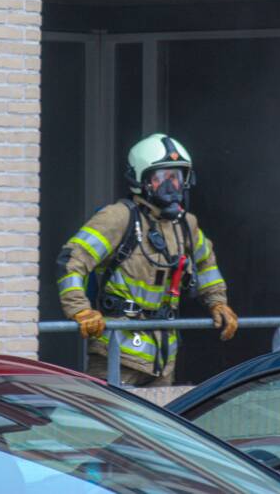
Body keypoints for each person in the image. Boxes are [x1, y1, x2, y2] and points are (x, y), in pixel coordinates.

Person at [56, 133, 238, 386]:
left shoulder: (185, 224)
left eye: (177, 177)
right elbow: (71, 260)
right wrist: (80, 309)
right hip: (117, 353)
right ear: (140, 180)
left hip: (163, 356)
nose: (171, 186)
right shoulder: (117, 218)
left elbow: (206, 263)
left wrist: (217, 302)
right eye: (161, 178)